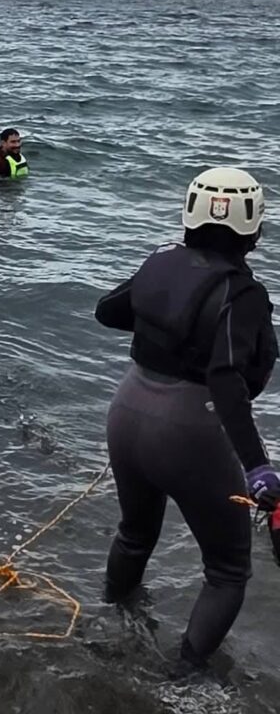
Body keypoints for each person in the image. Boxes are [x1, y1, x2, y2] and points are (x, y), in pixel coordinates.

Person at [94, 167, 280, 673]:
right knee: (227, 570)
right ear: (254, 226)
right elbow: (226, 381)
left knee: (135, 534)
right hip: (187, 430)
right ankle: (184, 680)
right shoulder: (245, 294)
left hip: (127, 412)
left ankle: (109, 623)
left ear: (190, 214)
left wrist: (169, 305)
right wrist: (258, 467)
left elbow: (108, 311)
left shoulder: (161, 261)